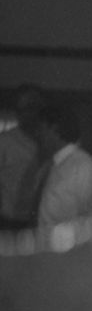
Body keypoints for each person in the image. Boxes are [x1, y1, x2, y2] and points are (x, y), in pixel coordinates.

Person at [25, 102, 92, 227]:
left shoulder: (84, 167)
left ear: (55, 129)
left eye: (40, 129)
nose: (37, 134)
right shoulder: (48, 166)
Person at [0, 83, 46, 229]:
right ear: (17, 111)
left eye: (35, 107)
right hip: (10, 220)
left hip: (43, 219)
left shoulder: (50, 140)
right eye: (26, 108)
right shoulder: (5, 141)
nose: (31, 113)